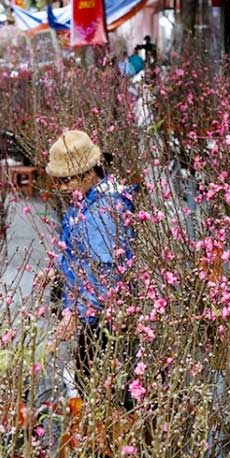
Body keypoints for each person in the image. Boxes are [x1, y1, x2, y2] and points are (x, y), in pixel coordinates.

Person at [45, 130, 133, 391]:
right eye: (57, 181)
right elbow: (80, 249)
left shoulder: (104, 211)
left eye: (65, 181)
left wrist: (76, 313)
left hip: (104, 320)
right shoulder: (89, 200)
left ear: (88, 174)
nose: (61, 188)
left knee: (94, 386)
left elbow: (104, 274)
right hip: (95, 314)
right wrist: (56, 267)